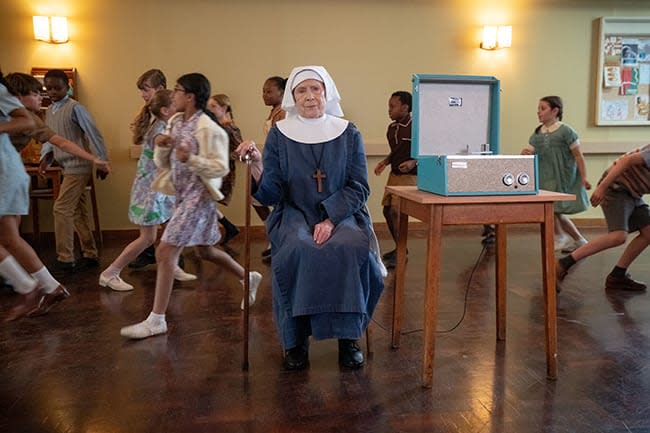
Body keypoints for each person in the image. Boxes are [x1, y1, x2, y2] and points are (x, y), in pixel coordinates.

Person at [236, 65, 385, 370]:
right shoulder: (280, 135)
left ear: (326, 92)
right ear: (292, 97)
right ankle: (296, 341)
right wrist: (257, 165)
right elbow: (272, 192)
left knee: (349, 247)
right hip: (294, 213)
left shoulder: (349, 133)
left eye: (315, 89)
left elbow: (359, 186)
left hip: (343, 214)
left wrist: (330, 219)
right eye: (301, 90)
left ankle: (348, 339)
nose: (309, 96)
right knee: (297, 249)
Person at [120, 73, 262, 339]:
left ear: (190, 97)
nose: (172, 94)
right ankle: (248, 277)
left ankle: (156, 319)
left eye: (177, 90)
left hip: (200, 198)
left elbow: (220, 167)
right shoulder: (174, 121)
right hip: (180, 195)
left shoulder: (210, 129)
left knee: (164, 250)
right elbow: (165, 164)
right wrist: (164, 147)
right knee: (206, 251)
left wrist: (192, 158)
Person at [0, 71, 83, 320]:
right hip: (10, 173)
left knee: (10, 238)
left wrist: (94, 159)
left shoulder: (5, 96)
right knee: (9, 238)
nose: (41, 97)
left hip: (6, 174)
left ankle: (30, 287)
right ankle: (44, 286)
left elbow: (52, 137)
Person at [99, 89, 196, 292]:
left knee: (173, 228)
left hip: (159, 191)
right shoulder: (159, 130)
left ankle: (172, 264)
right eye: (175, 103)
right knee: (148, 238)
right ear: (165, 110)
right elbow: (162, 143)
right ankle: (110, 273)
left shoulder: (163, 125)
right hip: (150, 193)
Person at [41, 69, 110, 271]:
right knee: (77, 210)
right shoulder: (49, 111)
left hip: (78, 166)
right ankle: (90, 253)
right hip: (64, 166)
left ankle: (65, 257)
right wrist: (46, 158)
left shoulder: (75, 108)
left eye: (57, 88)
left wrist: (102, 161)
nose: (53, 92)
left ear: (67, 87)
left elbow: (93, 134)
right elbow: (49, 138)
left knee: (61, 208)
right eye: (49, 88)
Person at [556, 144, 650, 292]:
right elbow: (626, 161)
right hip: (616, 188)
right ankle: (563, 264)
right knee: (618, 236)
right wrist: (602, 188)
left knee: (648, 232)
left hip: (632, 193)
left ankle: (617, 276)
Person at [521, 96, 590, 253]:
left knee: (553, 209)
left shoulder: (566, 131)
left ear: (555, 111)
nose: (538, 112)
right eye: (538, 108)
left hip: (561, 176)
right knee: (553, 209)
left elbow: (578, 155)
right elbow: (532, 152)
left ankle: (561, 236)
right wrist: (525, 154)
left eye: (542, 108)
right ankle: (578, 239)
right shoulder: (538, 132)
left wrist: (584, 177)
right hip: (544, 177)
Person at [128, 69, 168, 269]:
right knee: (151, 226)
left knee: (167, 221)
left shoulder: (166, 116)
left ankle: (172, 260)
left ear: (160, 89)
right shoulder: (151, 115)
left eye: (146, 90)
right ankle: (156, 255)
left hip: (161, 178)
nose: (143, 95)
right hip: (150, 177)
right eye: (141, 91)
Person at [373, 91, 416, 268]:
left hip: (409, 178)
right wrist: (385, 161)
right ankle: (400, 247)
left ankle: (402, 250)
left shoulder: (416, 126)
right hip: (394, 175)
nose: (389, 110)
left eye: (393, 106)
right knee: (387, 211)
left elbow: (428, 151)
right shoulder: (392, 128)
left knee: (397, 212)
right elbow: (396, 152)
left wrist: (414, 162)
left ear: (405, 108)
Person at [258, 76, 287, 262]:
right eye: (263, 91)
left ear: (282, 93)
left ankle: (277, 241)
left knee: (274, 204)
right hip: (269, 162)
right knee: (258, 200)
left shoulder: (283, 113)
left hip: (278, 165)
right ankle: (273, 238)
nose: (264, 95)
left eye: (269, 91)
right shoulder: (273, 112)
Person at [206, 93, 241, 245]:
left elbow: (238, 151)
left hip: (221, 172)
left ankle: (208, 239)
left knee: (205, 202)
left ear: (224, 107)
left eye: (213, 106)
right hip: (212, 169)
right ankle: (228, 226)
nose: (210, 109)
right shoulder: (214, 127)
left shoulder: (230, 128)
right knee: (205, 202)